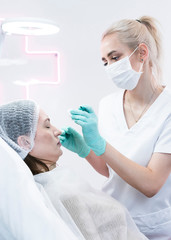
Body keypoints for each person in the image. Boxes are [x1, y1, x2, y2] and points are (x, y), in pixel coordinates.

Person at [60, 16, 171, 240]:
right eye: (105, 61)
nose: (110, 67)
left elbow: (151, 184)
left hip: (154, 228)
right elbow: (108, 169)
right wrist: (85, 149)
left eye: (115, 57)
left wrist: (101, 145)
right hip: (113, 222)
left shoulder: (167, 108)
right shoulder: (108, 104)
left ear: (142, 53)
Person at [0, 99, 147, 240]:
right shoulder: (63, 195)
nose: (57, 131)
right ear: (25, 142)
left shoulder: (53, 187)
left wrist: (86, 150)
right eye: (47, 126)